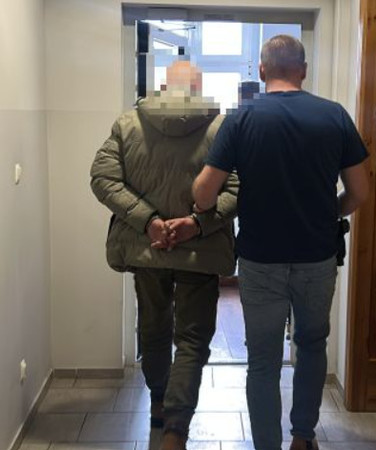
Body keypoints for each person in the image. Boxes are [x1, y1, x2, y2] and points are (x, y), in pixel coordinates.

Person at [192, 35, 369, 450]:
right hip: (317, 256)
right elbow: (360, 192)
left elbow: (204, 193)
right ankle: (303, 438)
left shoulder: (241, 119)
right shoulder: (334, 116)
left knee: (263, 361)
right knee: (311, 346)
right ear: (303, 70)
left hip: (260, 259)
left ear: (261, 70)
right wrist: (328, 212)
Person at [90, 60, 238, 450]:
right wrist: (195, 224)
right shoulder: (222, 129)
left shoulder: (127, 124)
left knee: (153, 331)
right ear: (198, 89)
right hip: (201, 254)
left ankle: (158, 401)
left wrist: (149, 223)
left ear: (162, 87)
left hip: (148, 251)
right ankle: (176, 428)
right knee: (192, 340)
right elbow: (239, 189)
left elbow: (103, 178)